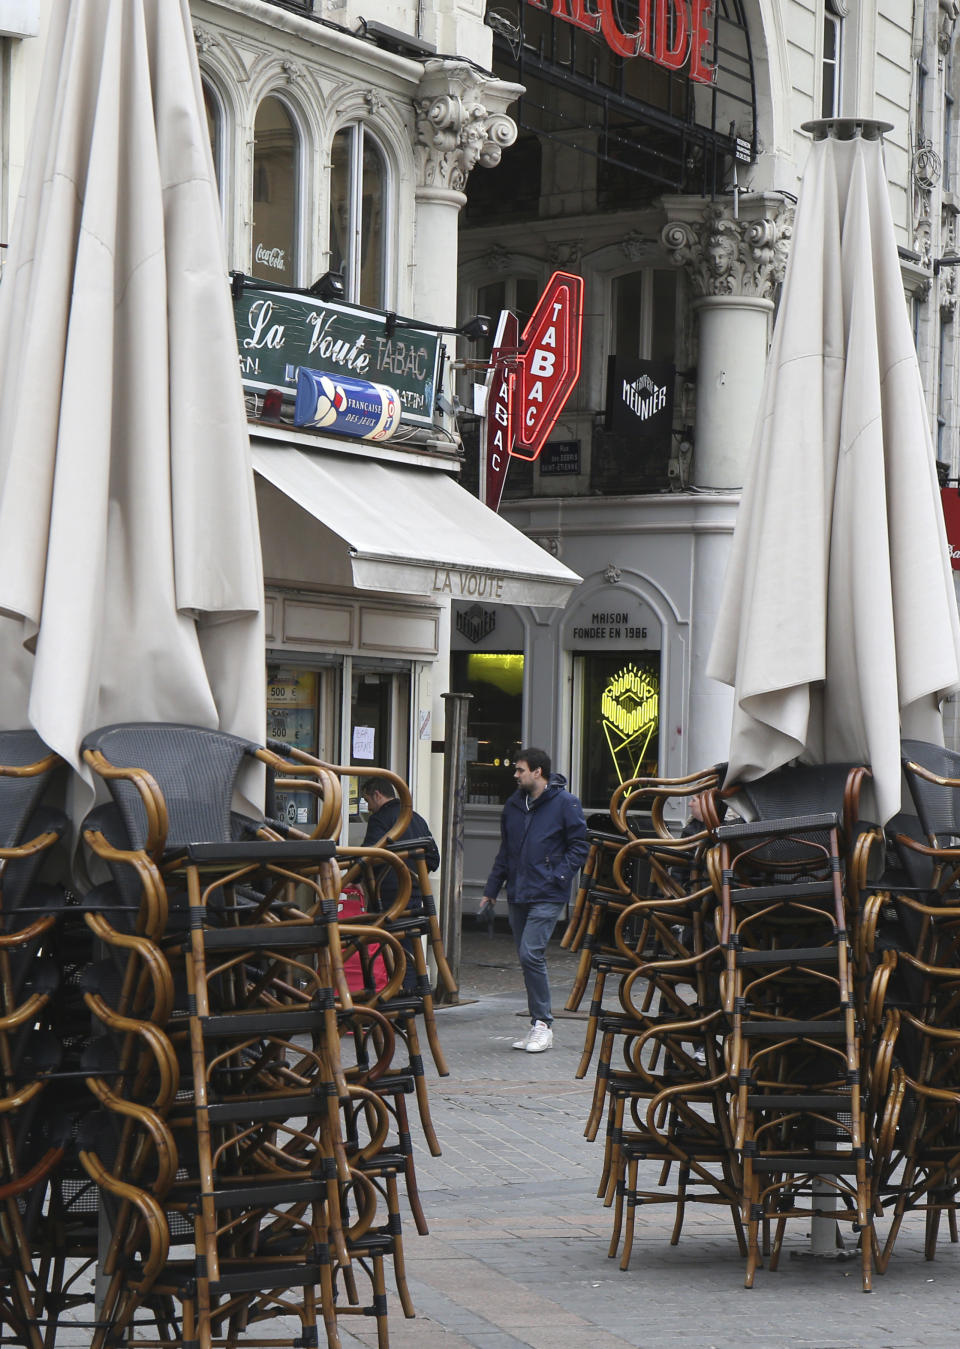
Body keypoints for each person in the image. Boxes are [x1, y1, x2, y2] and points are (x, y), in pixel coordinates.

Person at [478, 748, 588, 1054]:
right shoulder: (514, 805)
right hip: (519, 891)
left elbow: (580, 846)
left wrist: (559, 876)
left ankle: (543, 1024)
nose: (515, 775)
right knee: (527, 960)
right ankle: (537, 1023)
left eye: (520, 770)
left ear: (538, 772)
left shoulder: (566, 803)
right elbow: (506, 851)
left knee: (530, 953)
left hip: (548, 892)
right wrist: (491, 889)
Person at [360, 777, 440, 993]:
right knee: (410, 946)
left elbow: (368, 856)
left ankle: (403, 999)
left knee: (394, 950)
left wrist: (355, 878)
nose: (368, 807)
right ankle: (414, 996)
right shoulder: (415, 819)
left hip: (390, 896)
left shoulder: (380, 820)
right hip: (416, 896)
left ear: (377, 795)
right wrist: (414, 875)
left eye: (367, 800)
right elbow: (434, 859)